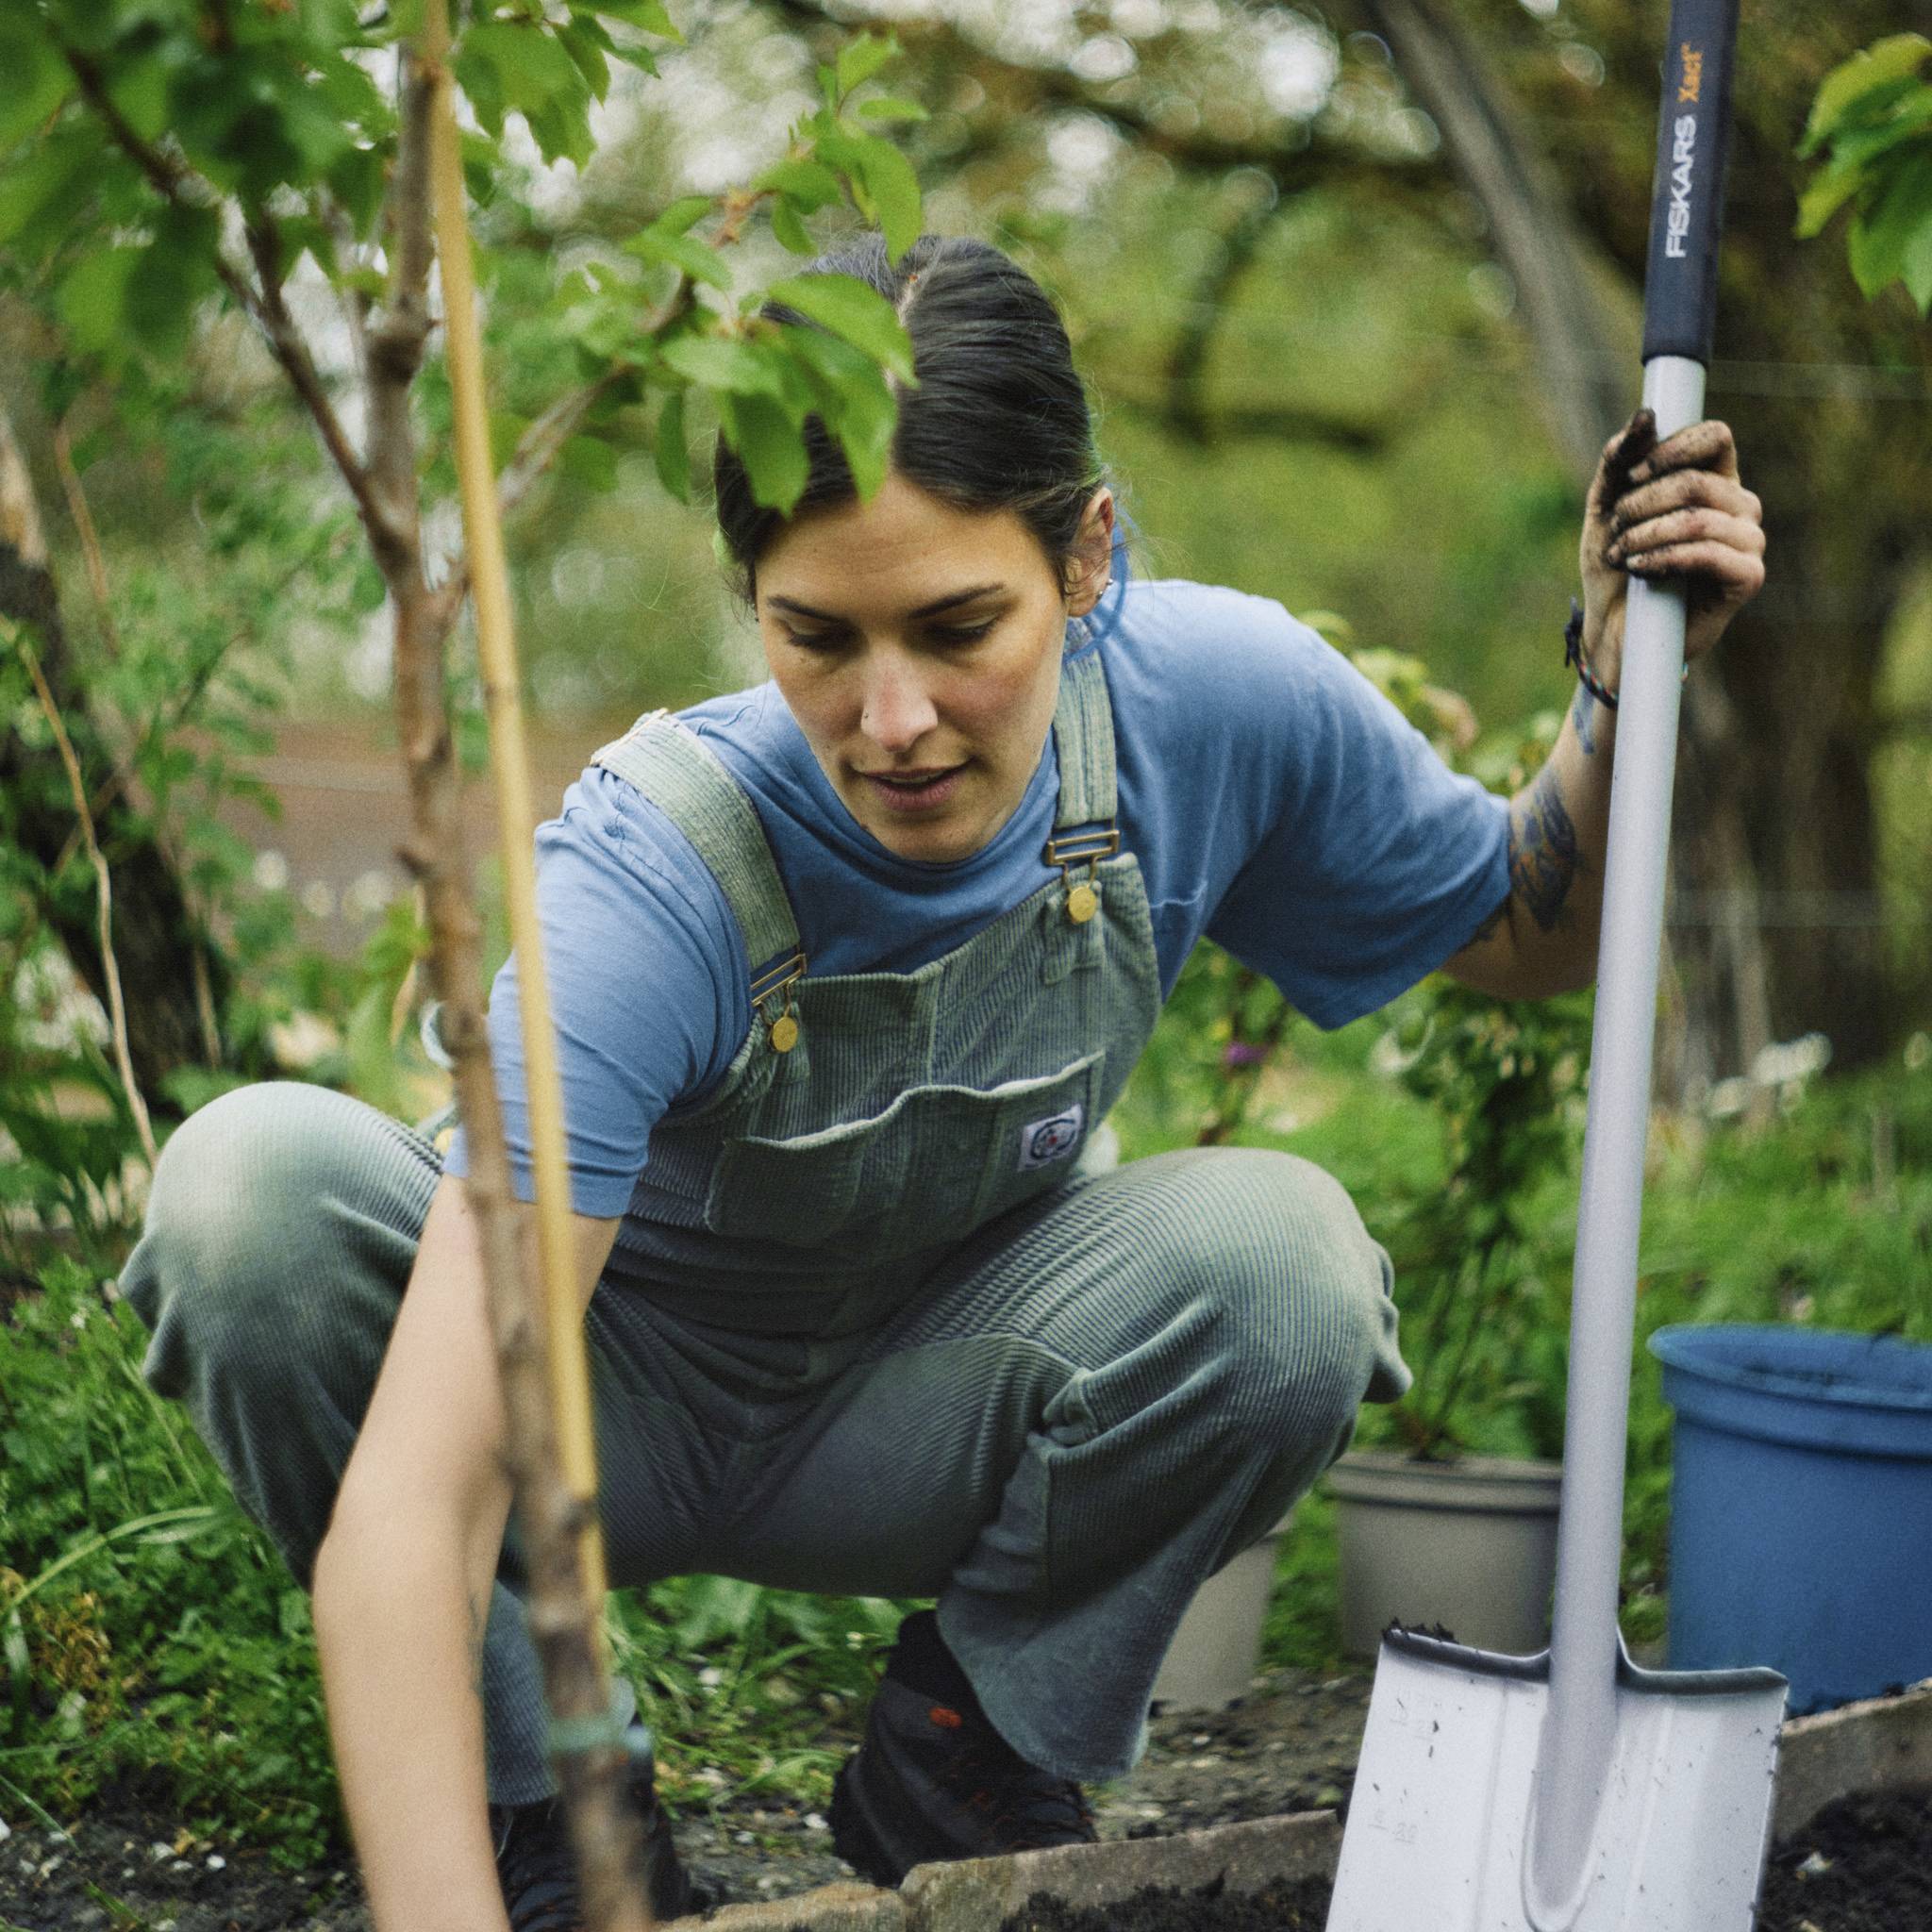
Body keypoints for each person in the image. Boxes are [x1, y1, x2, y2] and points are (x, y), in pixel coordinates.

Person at [120, 232, 1766, 1932]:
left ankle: (964, 1748)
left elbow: (1517, 922)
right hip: (605, 1407)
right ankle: (537, 1800)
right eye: (815, 635)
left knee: (1288, 1262)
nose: (890, 716)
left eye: (956, 625)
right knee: (251, 1197)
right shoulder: (663, 866)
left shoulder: (1212, 707)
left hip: (927, 1399)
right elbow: (420, 1494)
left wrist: (1619, 678)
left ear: (1087, 553)